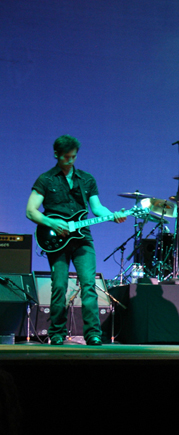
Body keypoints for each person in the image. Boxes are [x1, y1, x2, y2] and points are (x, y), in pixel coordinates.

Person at [26, 135, 127, 345]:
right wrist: (52, 223)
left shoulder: (86, 179)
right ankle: (56, 333)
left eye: (73, 157)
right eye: (66, 157)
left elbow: (97, 208)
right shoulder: (46, 179)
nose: (70, 161)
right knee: (59, 286)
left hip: (82, 239)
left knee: (89, 284)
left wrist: (112, 215)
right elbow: (31, 211)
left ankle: (92, 334)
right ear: (56, 154)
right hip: (56, 239)